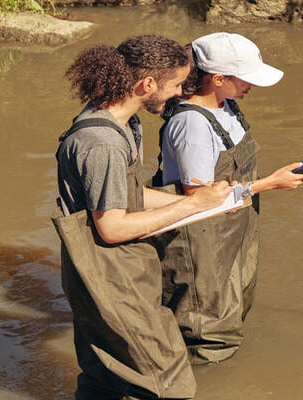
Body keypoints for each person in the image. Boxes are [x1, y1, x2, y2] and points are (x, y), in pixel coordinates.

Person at [53, 34, 236, 400]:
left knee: (104, 375)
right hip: (107, 274)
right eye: (174, 85)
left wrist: (208, 199)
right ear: (147, 84)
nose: (179, 93)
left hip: (113, 270)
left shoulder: (124, 121)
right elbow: (112, 227)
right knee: (168, 382)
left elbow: (128, 196)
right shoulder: (101, 142)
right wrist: (192, 206)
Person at [150, 32, 303, 365]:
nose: (252, 86)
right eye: (246, 78)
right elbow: (199, 198)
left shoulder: (227, 105)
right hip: (201, 239)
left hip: (233, 231)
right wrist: (269, 184)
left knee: (234, 305)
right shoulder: (192, 125)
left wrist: (269, 181)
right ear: (218, 79)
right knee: (205, 329)